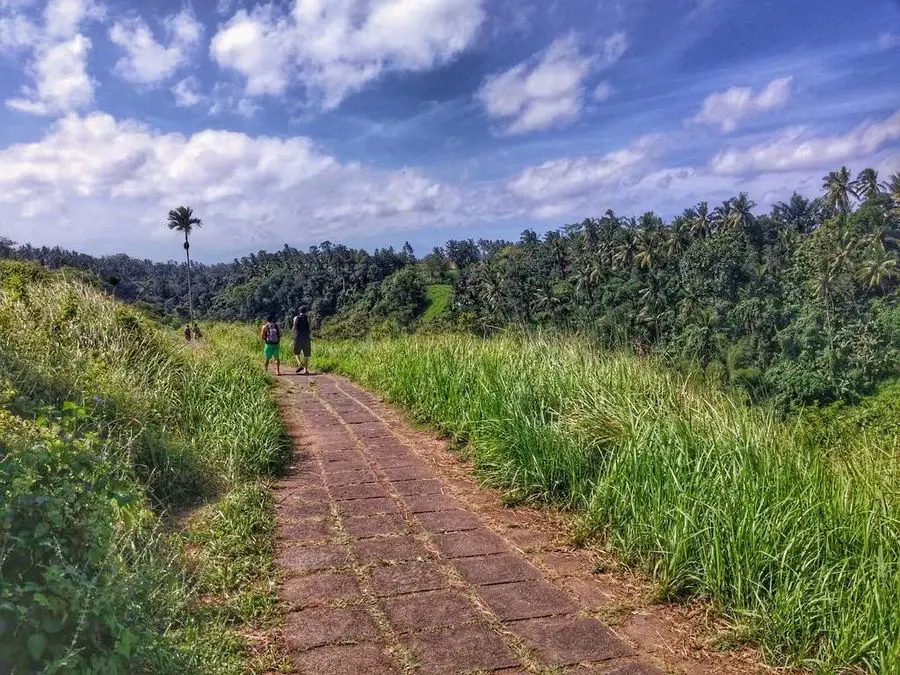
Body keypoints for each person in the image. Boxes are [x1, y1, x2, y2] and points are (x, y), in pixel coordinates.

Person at [292, 306, 312, 374]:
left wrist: (293, 336)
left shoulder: (295, 318)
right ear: (305, 311)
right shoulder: (308, 317)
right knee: (306, 354)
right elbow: (309, 327)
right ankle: (305, 370)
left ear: (299, 311)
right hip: (306, 337)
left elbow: (294, 328)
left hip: (298, 337)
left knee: (296, 352)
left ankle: (300, 364)